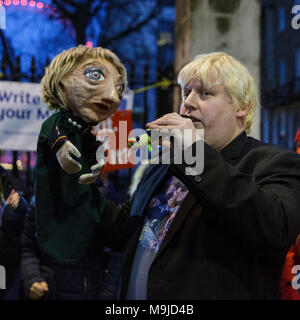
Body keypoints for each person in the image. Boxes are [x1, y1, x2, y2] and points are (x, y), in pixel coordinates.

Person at [109, 52, 300, 299]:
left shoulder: (274, 162)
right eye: (186, 92)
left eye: (205, 94)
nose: (187, 102)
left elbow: (273, 229)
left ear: (243, 107)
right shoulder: (165, 165)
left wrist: (194, 154)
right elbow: (124, 227)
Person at [21, 45, 127, 300]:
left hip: (84, 271)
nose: (113, 96)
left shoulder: (86, 134)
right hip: (55, 269)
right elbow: (53, 133)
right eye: (95, 75)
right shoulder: (58, 124)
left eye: (120, 88)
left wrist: (95, 162)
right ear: (63, 79)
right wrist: (61, 148)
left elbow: (93, 150)